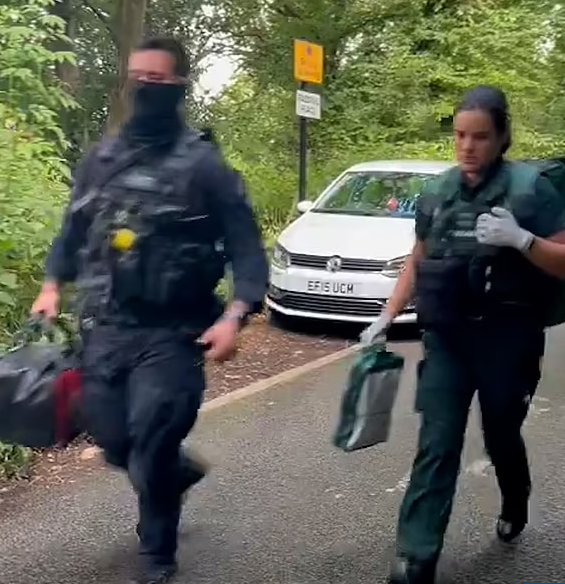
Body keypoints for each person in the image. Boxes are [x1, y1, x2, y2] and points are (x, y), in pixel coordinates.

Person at [30, 36, 269, 584]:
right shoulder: (101, 160)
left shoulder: (204, 167)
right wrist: (51, 285)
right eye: (137, 77)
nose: (144, 87)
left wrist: (234, 315)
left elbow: (247, 248)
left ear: (179, 86)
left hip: (173, 332)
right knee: (115, 439)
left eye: (156, 80)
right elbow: (73, 229)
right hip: (106, 326)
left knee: (154, 434)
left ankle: (157, 554)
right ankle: (172, 474)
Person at [359, 85, 565, 584]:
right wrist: (387, 315)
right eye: (459, 135)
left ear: (502, 137)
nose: (467, 147)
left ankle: (515, 497)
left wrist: (523, 239)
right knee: (438, 441)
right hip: (448, 339)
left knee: (501, 435)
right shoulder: (438, 192)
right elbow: (418, 258)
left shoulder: (531, 190)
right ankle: (415, 556)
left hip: (509, 341)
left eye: (480, 137)